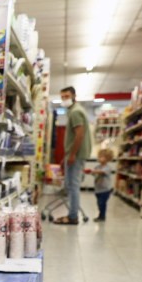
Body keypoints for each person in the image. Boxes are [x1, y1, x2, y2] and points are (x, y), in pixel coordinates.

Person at [54, 86, 93, 224]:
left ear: (74, 96)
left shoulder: (75, 112)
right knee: (71, 185)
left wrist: (72, 155)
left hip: (76, 155)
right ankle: (72, 214)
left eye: (67, 96)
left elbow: (79, 134)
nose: (64, 99)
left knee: (73, 186)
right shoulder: (74, 111)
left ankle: (72, 216)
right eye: (62, 96)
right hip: (75, 154)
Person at [91, 147, 115, 222]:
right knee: (99, 203)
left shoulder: (107, 168)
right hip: (98, 189)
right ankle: (101, 215)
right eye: (99, 156)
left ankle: (102, 216)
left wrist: (95, 171)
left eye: (102, 157)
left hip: (105, 190)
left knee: (102, 203)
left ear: (107, 159)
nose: (100, 158)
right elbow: (94, 173)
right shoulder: (97, 167)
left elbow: (102, 172)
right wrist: (91, 172)